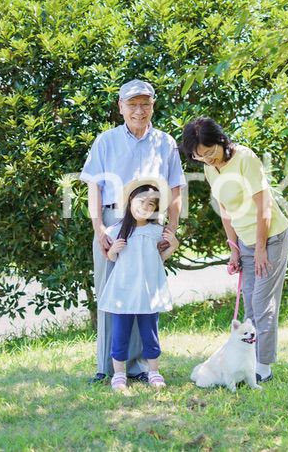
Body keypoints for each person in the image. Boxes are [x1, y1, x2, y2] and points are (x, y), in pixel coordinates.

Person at [79, 79, 184, 384]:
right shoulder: (106, 141)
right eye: (133, 104)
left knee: (145, 292)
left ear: (153, 106)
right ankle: (108, 368)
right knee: (112, 295)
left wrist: (172, 230)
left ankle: (141, 368)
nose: (139, 111)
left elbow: (175, 189)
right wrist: (99, 228)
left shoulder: (166, 142)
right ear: (120, 107)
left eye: (145, 104)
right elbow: (94, 188)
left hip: (150, 223)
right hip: (114, 222)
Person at [180, 117, 288, 383]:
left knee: (262, 305)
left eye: (210, 153)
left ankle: (263, 367)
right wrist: (234, 248)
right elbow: (226, 212)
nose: (208, 160)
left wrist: (262, 248)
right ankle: (248, 361)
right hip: (245, 242)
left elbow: (263, 206)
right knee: (250, 307)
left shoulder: (245, 158)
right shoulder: (210, 169)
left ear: (221, 141)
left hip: (271, 238)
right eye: (200, 157)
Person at [100, 181, 177, 390]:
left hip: (148, 292)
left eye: (151, 205)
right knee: (120, 334)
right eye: (142, 201)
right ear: (130, 201)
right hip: (123, 292)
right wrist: (113, 250)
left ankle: (154, 372)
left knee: (150, 333)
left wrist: (173, 247)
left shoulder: (156, 231)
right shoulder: (115, 230)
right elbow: (111, 258)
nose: (145, 207)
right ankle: (119, 374)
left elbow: (158, 260)